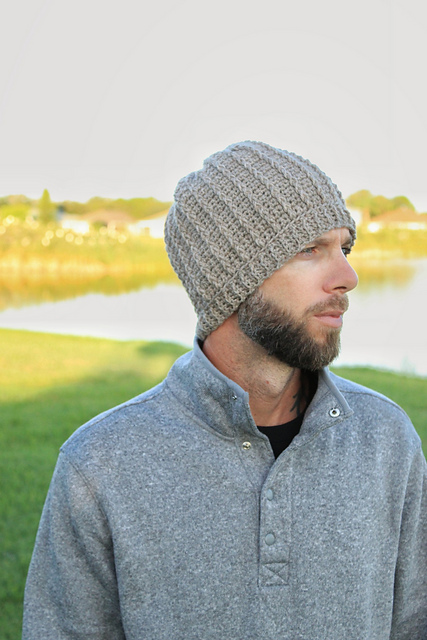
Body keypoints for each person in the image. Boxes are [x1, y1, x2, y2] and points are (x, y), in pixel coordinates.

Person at [23, 141, 427, 639]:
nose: (349, 276)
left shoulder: (387, 440)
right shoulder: (101, 464)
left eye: (343, 249)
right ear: (230, 279)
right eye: (310, 249)